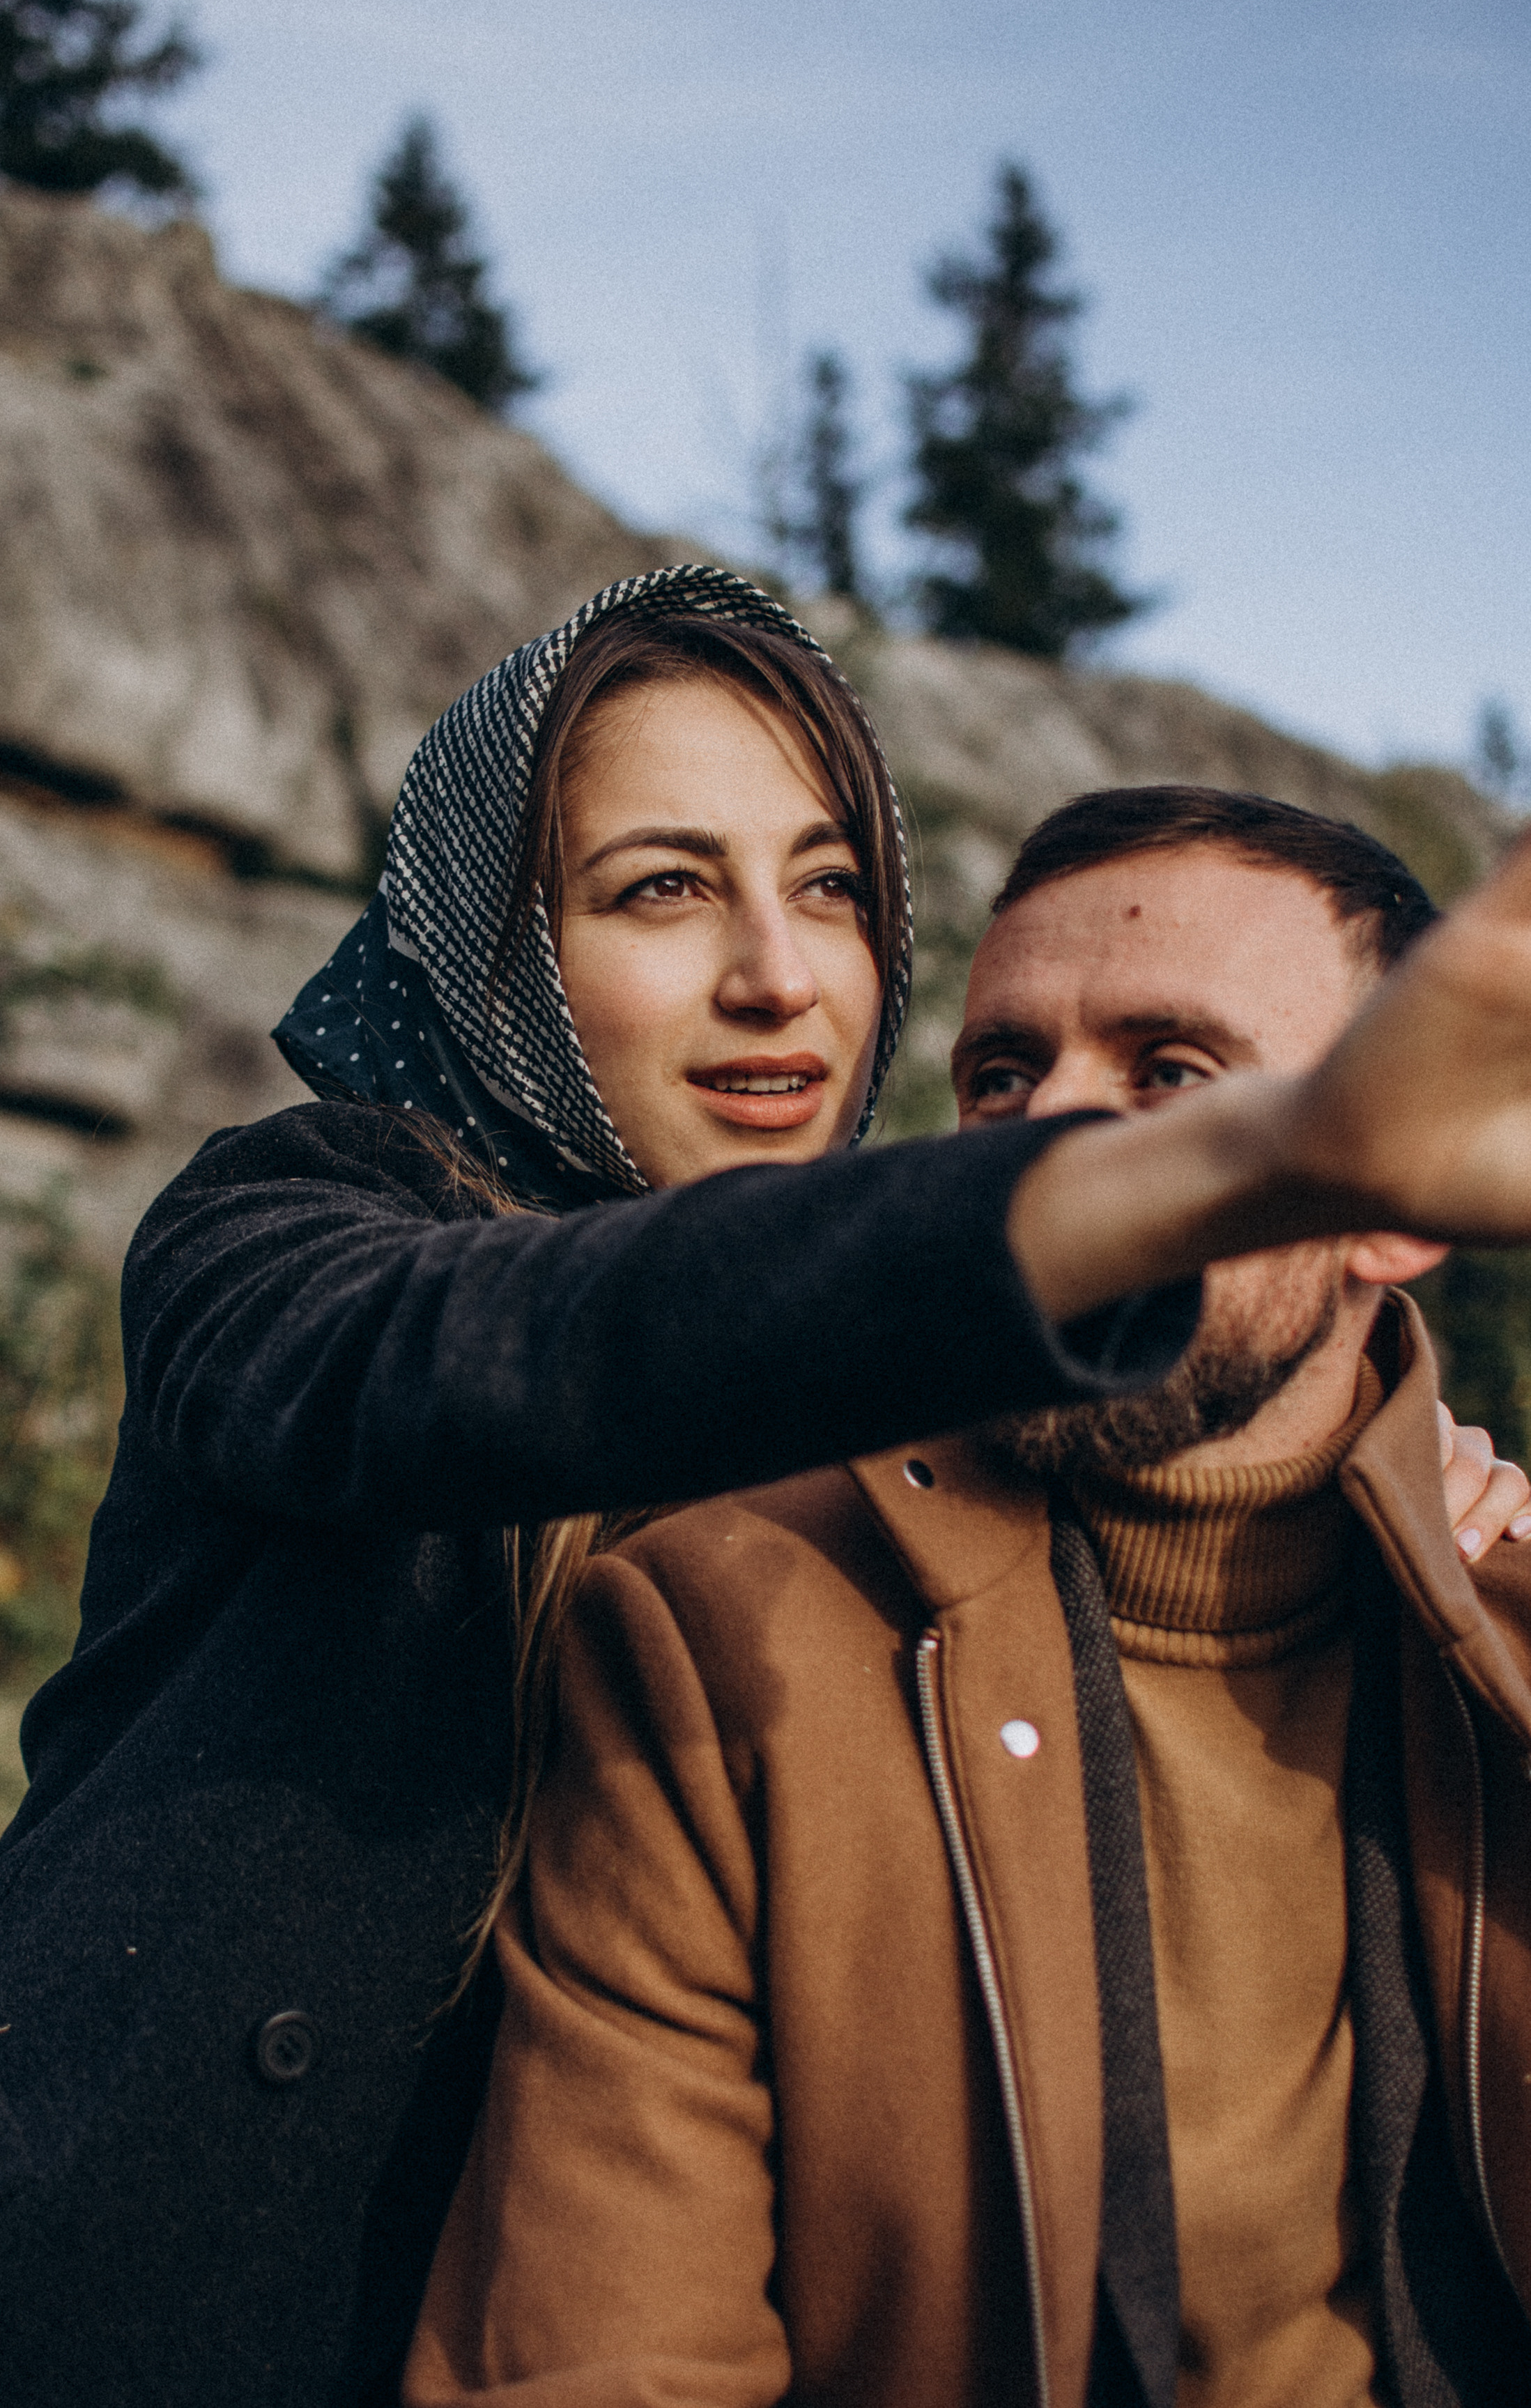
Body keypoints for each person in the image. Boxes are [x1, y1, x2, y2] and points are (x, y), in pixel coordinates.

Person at [0, 567, 1517, 2406]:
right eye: (661, 887)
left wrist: (1389, 1497)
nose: (776, 973)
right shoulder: (286, 1225)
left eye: (826, 885)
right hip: (80, 2293)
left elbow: (1217, 1435)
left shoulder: (893, 1358)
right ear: (499, 942)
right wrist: (1233, 1156)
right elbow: (521, 1350)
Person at [405, 788, 1531, 2408]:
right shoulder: (725, 1638)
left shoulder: (1506, 1642)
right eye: (1002, 1073)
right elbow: (601, 2361)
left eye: (1173, 1076)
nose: (1049, 1138)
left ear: (1399, 1200)